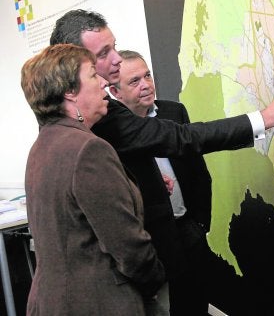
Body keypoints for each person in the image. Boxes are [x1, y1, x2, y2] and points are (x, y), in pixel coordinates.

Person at [50, 9, 274, 315]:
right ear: (74, 67)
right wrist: (263, 119)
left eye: (114, 47)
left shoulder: (68, 126)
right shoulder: (91, 122)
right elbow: (182, 139)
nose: (117, 59)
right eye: (104, 53)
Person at [20, 44, 165, 315]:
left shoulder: (44, 144)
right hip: (98, 302)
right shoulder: (88, 149)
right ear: (70, 92)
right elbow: (129, 248)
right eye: (92, 75)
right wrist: (156, 279)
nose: (103, 82)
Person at [111, 49, 226, 313]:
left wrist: (200, 223)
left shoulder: (173, 112)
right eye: (135, 81)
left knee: (195, 302)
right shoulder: (111, 133)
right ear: (115, 93)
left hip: (188, 228)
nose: (146, 85)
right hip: (150, 239)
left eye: (147, 75)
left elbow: (198, 172)